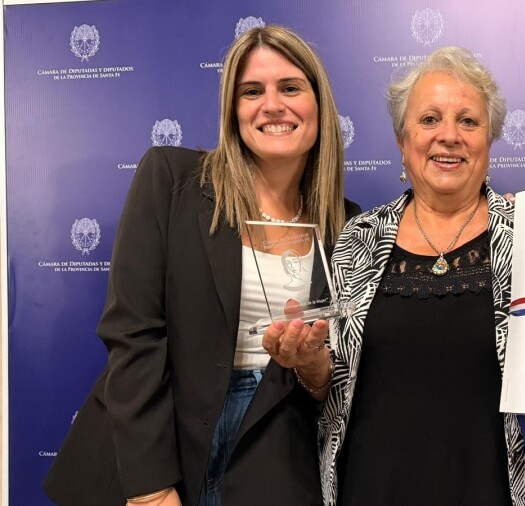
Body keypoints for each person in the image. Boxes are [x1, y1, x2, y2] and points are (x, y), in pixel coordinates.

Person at [43, 25, 360, 506]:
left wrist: (312, 369)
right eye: (251, 91)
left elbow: (334, 383)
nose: (272, 105)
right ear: (234, 111)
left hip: (274, 455)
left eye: (290, 88)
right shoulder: (171, 181)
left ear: (320, 104)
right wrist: (150, 489)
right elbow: (134, 334)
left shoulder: (348, 226)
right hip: (156, 447)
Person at [317, 46, 525, 506]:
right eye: (430, 119)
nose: (449, 136)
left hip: (495, 492)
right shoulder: (357, 239)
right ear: (403, 140)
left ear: (490, 141)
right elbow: (332, 381)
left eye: (468, 121)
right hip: (371, 489)